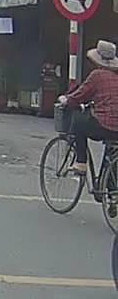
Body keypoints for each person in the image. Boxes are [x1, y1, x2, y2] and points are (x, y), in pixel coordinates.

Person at [59, 40, 118, 207]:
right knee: (112, 153)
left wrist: (66, 100)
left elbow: (80, 95)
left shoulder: (96, 75)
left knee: (79, 121)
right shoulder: (116, 78)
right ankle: (112, 194)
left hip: (104, 124)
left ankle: (81, 162)